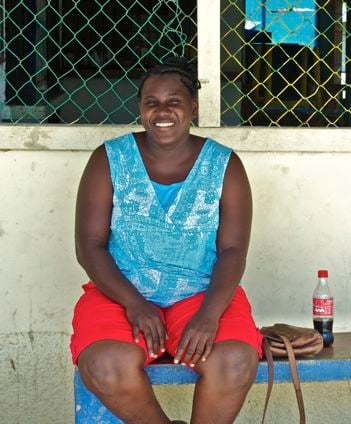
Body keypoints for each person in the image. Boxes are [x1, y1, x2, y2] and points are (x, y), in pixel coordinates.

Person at [70, 56, 262, 424]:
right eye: (151, 102)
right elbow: (89, 245)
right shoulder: (109, 159)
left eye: (174, 101)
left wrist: (209, 315)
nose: (162, 111)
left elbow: (233, 250)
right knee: (106, 365)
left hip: (201, 293)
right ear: (140, 108)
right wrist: (134, 303)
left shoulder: (224, 165)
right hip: (120, 293)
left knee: (234, 361)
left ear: (192, 106)